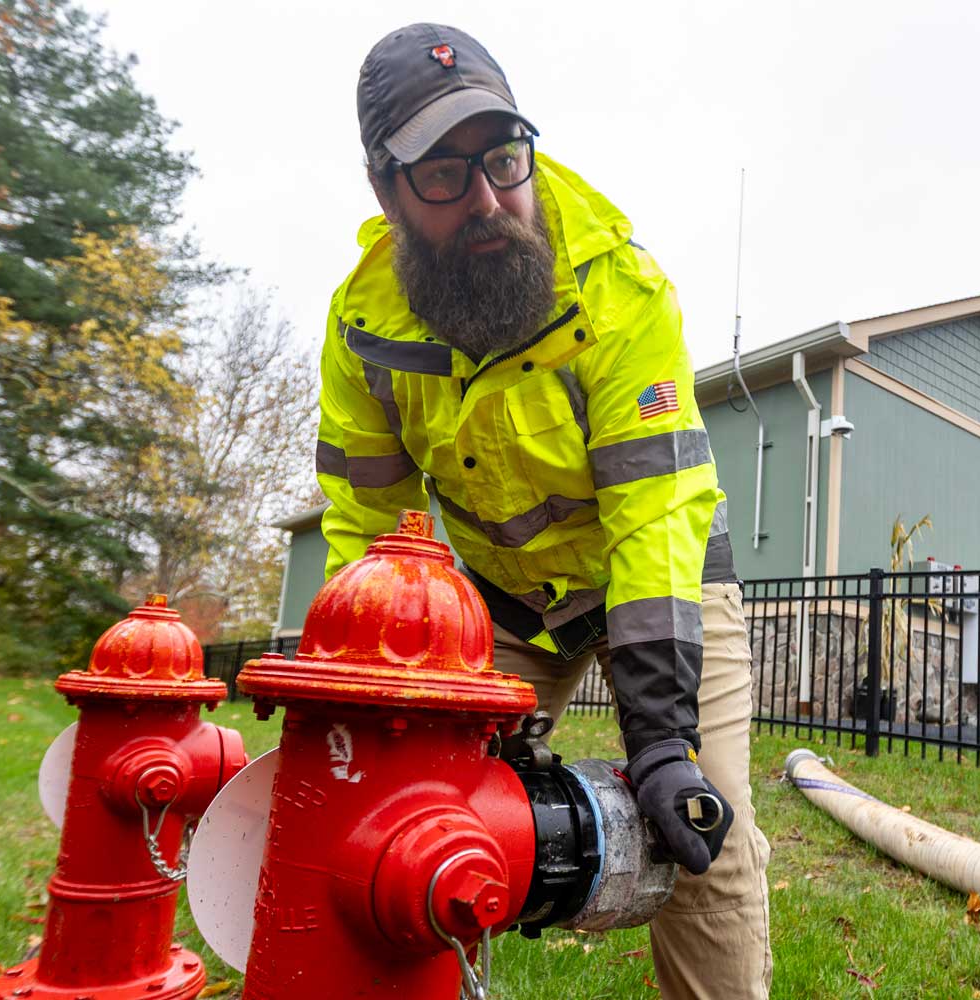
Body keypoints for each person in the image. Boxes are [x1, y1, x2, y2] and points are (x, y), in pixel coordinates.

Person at [315, 22, 771, 999]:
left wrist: (659, 743)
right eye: (443, 173)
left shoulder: (619, 290)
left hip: (660, 577)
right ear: (385, 191)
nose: (487, 197)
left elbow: (654, 513)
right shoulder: (363, 330)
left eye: (503, 158)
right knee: (396, 812)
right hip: (505, 601)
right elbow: (363, 535)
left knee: (706, 833)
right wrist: (368, 704)